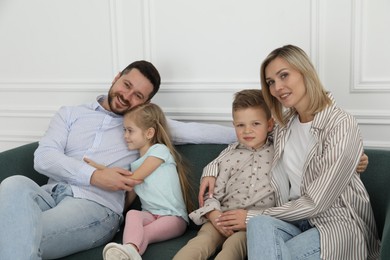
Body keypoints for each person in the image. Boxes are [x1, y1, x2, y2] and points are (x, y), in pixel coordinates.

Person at [0, 60, 236, 260]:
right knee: (14, 183)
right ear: (116, 78)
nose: (127, 97)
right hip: (48, 195)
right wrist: (94, 175)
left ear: (144, 104)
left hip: (95, 207)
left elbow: (199, 132)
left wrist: (255, 131)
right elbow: (43, 158)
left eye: (138, 96)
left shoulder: (142, 127)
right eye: (126, 85)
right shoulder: (70, 114)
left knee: (17, 233)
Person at [243, 45, 379, 259]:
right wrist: (212, 169)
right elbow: (249, 133)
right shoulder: (284, 126)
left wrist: (248, 215)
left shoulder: (341, 124)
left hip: (335, 223)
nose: (277, 87)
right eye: (271, 82)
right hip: (293, 221)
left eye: (284, 75)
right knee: (259, 225)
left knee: (259, 228)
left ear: (304, 71)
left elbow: (318, 202)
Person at [174, 89, 275, 260]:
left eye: (255, 124)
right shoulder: (228, 156)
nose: (247, 131)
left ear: (270, 125)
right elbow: (212, 192)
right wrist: (214, 215)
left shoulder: (279, 150)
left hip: (252, 224)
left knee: (233, 246)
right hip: (221, 217)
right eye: (240, 125)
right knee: (201, 242)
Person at [84, 103, 193, 260]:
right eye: (124, 130)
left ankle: (129, 250)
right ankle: (129, 252)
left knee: (144, 233)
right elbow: (130, 193)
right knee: (133, 214)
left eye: (130, 130)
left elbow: (133, 179)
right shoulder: (136, 164)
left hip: (173, 218)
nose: (125, 136)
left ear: (149, 133)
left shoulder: (159, 151)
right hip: (150, 214)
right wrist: (118, 214)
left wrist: (97, 168)